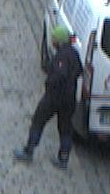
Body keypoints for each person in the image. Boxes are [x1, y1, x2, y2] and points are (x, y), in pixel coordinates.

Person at [15, 23, 84, 168]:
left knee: (38, 121)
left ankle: (29, 150)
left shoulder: (61, 56)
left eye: (54, 38)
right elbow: (79, 71)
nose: (52, 40)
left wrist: (49, 83)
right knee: (65, 127)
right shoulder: (74, 53)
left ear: (58, 40)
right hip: (69, 98)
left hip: (54, 97)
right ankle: (64, 158)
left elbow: (60, 74)